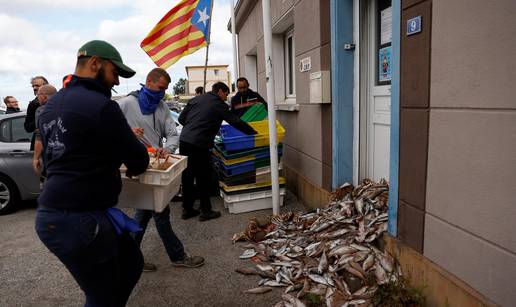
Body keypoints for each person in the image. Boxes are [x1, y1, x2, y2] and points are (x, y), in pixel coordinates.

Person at [35, 40, 149, 307]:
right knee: (102, 294)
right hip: (78, 219)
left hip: (54, 214)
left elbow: (66, 155)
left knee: (131, 262)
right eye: (114, 73)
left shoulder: (49, 107)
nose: (117, 82)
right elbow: (138, 160)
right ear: (95, 63)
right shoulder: (102, 106)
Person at [118, 68, 204, 272]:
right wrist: (128, 132)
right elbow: (107, 129)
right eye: (160, 88)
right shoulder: (125, 104)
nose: (161, 93)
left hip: (156, 166)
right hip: (135, 166)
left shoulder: (163, 107)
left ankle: (129, 260)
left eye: (164, 90)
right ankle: (177, 256)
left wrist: (168, 149)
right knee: (159, 211)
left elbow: (173, 134)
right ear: (148, 82)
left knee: (148, 211)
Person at [179, 82, 257, 221]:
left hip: (184, 141)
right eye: (226, 94)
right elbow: (235, 121)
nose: (226, 97)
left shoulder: (196, 99)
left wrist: (194, 127)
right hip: (200, 144)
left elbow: (181, 119)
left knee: (188, 176)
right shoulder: (219, 105)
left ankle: (188, 209)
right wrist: (253, 133)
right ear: (220, 91)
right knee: (204, 177)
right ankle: (206, 211)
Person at [32, 84, 57, 183]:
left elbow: (40, 136)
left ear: (44, 96)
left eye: (38, 95)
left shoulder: (41, 110)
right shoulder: (66, 107)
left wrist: (36, 158)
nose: (37, 97)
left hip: (51, 158)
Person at [25, 76, 49, 150]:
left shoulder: (56, 101)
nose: (34, 88)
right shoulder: (33, 104)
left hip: (54, 141)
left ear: (45, 86)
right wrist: (38, 122)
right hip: (38, 142)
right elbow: (27, 127)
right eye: (33, 86)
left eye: (37, 86)